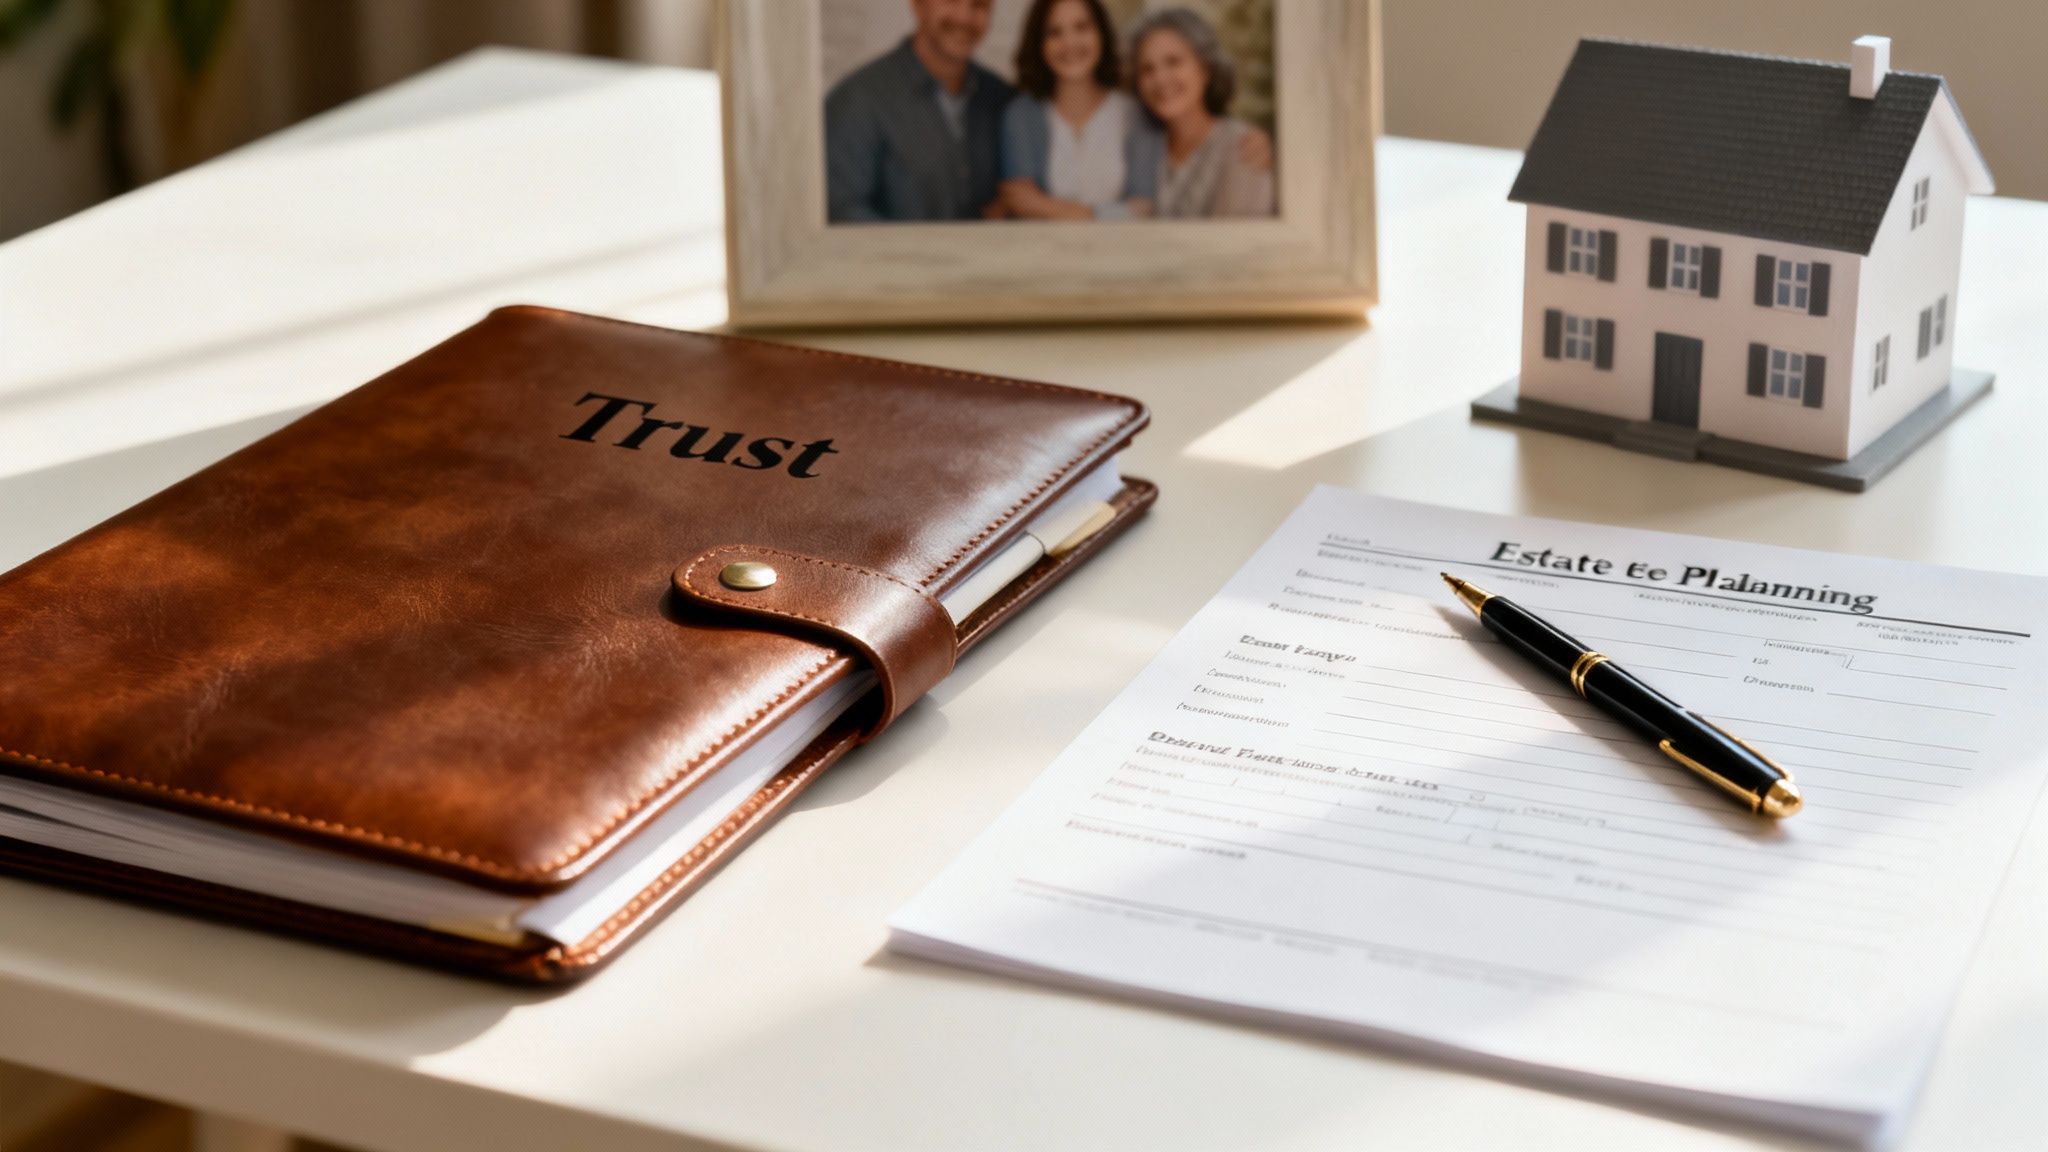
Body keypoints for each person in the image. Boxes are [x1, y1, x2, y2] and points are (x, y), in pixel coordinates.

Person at [824, 0, 1015, 222]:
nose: (964, 17)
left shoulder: (1004, 100)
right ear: (918, 5)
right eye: (951, 0)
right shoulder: (857, 100)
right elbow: (843, 212)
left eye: (979, 4)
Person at [997, 0, 1153, 220]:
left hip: (1124, 243)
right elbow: (1020, 200)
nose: (1069, 42)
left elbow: (1144, 206)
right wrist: (1111, 216)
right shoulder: (1022, 115)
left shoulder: (1134, 114)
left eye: (1081, 27)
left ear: (1101, 34)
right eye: (1055, 33)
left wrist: (1083, 215)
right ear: (1040, 43)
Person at [1127, 7, 1276, 219]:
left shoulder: (1244, 146)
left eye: (1173, 62)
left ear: (1205, 69)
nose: (1160, 78)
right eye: (1147, 69)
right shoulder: (1144, 149)